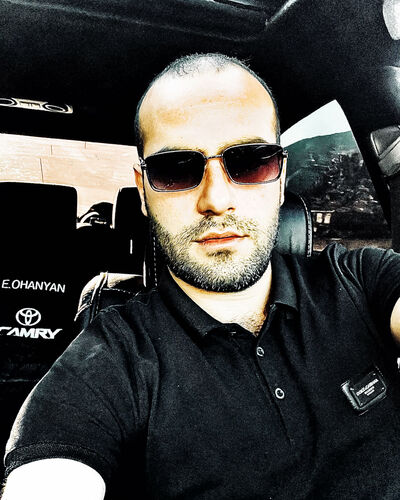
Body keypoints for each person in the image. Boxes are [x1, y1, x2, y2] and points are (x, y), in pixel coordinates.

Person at [2, 52, 400, 500]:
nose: (216, 199)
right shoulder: (111, 357)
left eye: (250, 162)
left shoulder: (363, 280)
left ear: (281, 177)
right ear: (143, 191)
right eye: (175, 169)